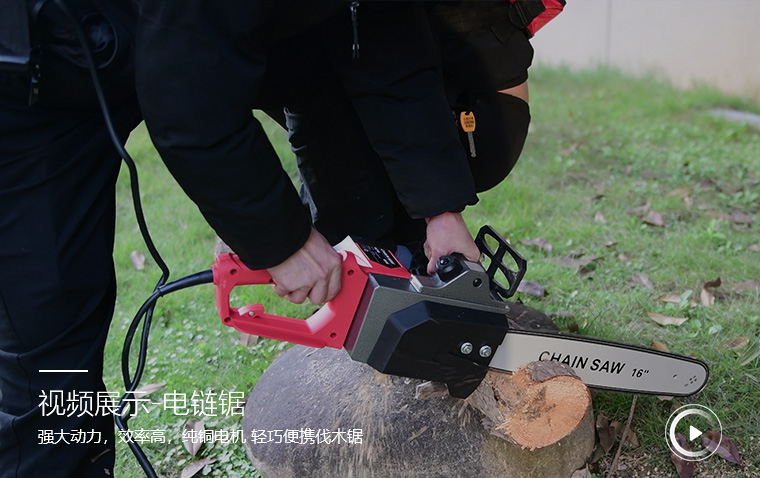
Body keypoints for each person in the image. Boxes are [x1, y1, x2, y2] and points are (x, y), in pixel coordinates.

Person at [0, 1, 483, 476]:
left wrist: (439, 208)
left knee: (343, 84)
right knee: (47, 326)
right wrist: (283, 240)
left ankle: (400, 338)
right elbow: (186, 100)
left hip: (214, 39)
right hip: (44, 76)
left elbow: (389, 44)